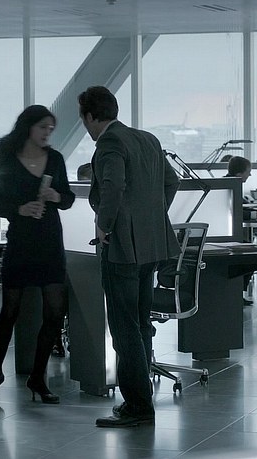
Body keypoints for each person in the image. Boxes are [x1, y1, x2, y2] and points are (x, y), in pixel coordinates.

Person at [79, 86, 180, 428]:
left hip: (122, 247)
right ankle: (141, 399)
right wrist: (150, 216)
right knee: (140, 323)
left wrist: (104, 226)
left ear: (90, 116)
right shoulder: (148, 139)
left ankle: (138, 405)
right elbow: (172, 181)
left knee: (124, 328)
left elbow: (113, 186)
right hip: (151, 246)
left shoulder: (109, 143)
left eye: (84, 120)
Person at [0, 105, 75, 404]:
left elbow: (68, 198)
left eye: (51, 128)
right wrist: (19, 209)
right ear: (28, 127)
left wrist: (56, 196)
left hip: (50, 241)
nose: (48, 133)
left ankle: (38, 377)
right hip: (21, 242)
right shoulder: (8, 160)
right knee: (9, 311)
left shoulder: (55, 159)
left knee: (55, 312)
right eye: (43, 127)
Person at [224, 156, 257, 305]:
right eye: (248, 172)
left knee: (249, 249)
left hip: (230, 234)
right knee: (251, 254)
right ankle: (237, 294)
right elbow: (233, 211)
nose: (250, 175)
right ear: (240, 174)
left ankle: (237, 294)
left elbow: (240, 206)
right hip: (226, 236)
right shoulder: (229, 186)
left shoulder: (229, 183)